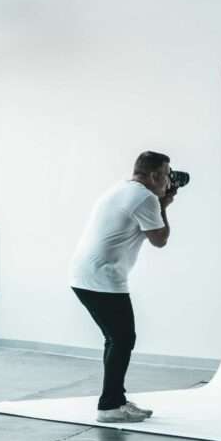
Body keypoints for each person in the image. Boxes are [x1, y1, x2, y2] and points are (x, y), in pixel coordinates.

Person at [70, 151, 176, 423]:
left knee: (117, 338)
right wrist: (164, 205)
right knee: (123, 339)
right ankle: (109, 407)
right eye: (165, 175)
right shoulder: (146, 198)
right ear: (153, 175)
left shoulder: (123, 189)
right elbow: (160, 239)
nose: (167, 180)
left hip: (88, 274)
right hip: (101, 278)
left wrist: (160, 202)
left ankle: (115, 400)